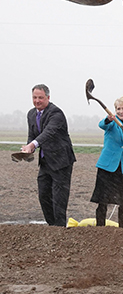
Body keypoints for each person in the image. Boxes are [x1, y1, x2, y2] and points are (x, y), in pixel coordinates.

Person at [22, 84, 76, 227]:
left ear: (48, 97)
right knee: (44, 195)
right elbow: (32, 135)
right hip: (45, 162)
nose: (37, 101)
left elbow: (48, 132)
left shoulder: (56, 113)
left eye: (40, 97)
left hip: (61, 162)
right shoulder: (31, 114)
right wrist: (28, 150)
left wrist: (33, 144)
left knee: (59, 199)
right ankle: (52, 227)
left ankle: (59, 229)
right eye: (34, 97)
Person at [90, 97, 123, 228]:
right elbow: (102, 125)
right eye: (118, 108)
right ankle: (100, 228)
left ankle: (122, 229)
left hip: (122, 168)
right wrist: (108, 119)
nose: (121, 111)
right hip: (106, 166)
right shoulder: (112, 122)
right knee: (103, 200)